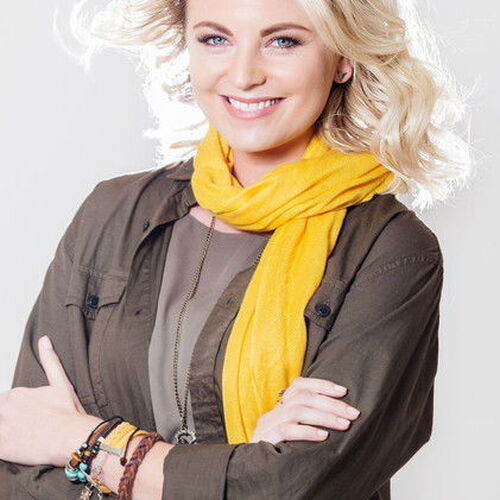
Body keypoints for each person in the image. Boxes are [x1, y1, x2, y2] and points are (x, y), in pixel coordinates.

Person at [0, 0, 471, 498]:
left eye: (283, 41)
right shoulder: (113, 213)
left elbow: (291, 486)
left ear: (343, 58)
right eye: (215, 39)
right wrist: (240, 462)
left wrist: (85, 443)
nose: (244, 75)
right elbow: (24, 453)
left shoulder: (391, 251)